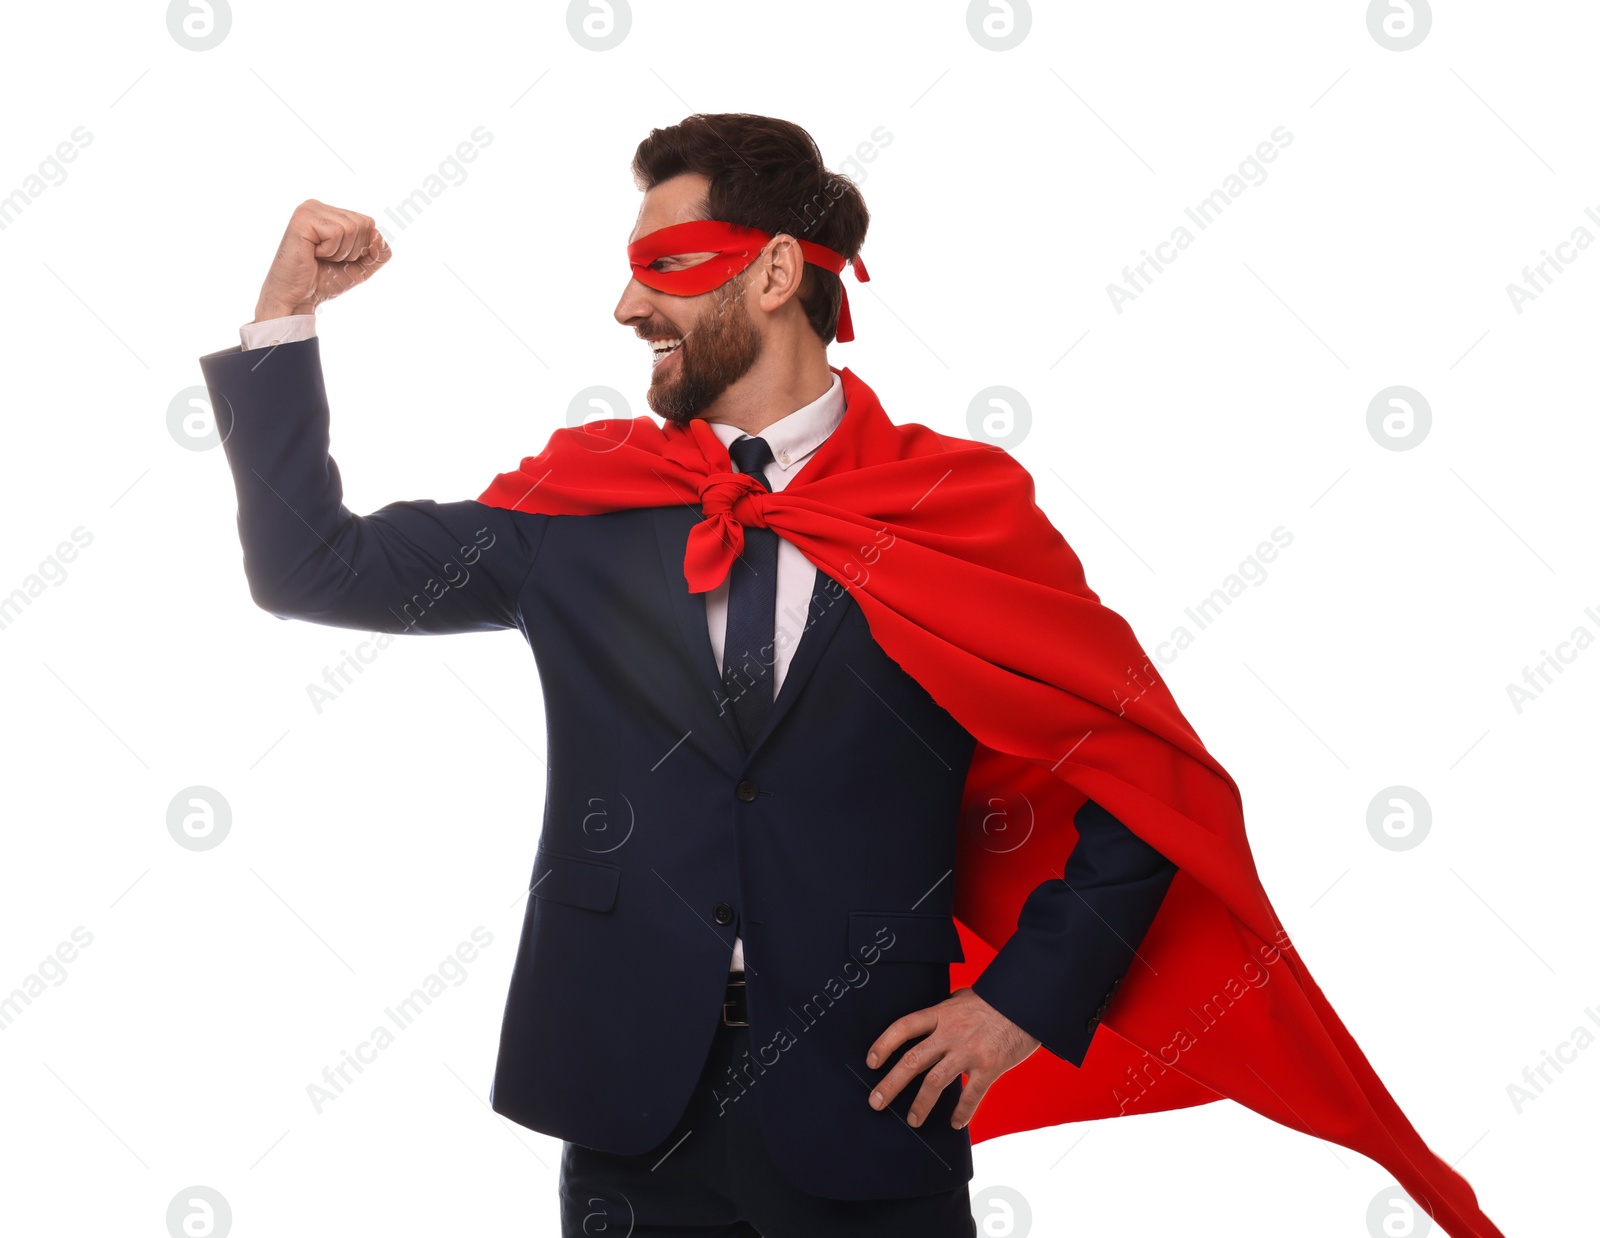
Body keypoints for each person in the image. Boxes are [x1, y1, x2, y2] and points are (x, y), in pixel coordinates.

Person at [198, 113, 1177, 1236]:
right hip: (627, 1106)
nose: (626, 308)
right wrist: (286, 313)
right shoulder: (579, 509)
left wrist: (1019, 1002)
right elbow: (308, 565)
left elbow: (1144, 772)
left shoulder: (957, 508)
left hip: (871, 1097)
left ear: (769, 271)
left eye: (662, 268)